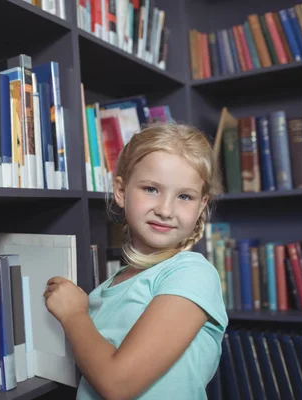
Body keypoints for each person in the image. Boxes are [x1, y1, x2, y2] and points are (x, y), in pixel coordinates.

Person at [43, 123, 228, 400]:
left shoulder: (192, 273)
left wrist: (73, 315)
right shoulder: (109, 286)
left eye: (184, 196)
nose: (165, 210)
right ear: (120, 191)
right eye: (151, 189)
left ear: (202, 205)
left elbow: (118, 385)